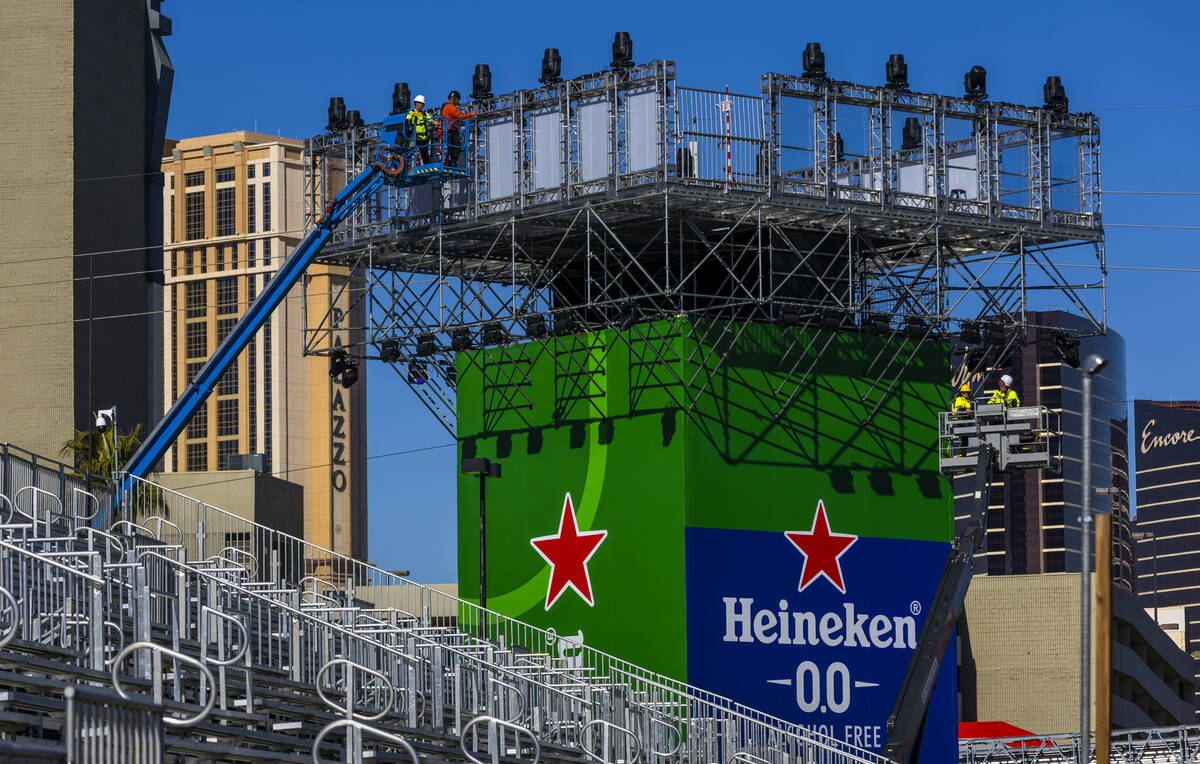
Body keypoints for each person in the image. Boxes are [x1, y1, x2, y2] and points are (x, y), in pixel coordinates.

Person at [440, 90, 475, 168]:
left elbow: (456, 118)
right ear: (454, 99)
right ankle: (452, 162)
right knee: (456, 146)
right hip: (451, 130)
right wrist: (471, 114)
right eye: (457, 100)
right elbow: (460, 116)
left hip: (448, 130)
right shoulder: (450, 107)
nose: (458, 102)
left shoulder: (445, 107)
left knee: (451, 147)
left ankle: (449, 162)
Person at [405, 95, 435, 163]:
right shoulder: (411, 113)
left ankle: (426, 165)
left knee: (425, 155)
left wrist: (440, 123)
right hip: (415, 137)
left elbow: (432, 121)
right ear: (416, 103)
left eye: (423, 104)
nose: (422, 105)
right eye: (421, 103)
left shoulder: (424, 114)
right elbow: (407, 120)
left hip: (424, 138)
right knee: (413, 152)